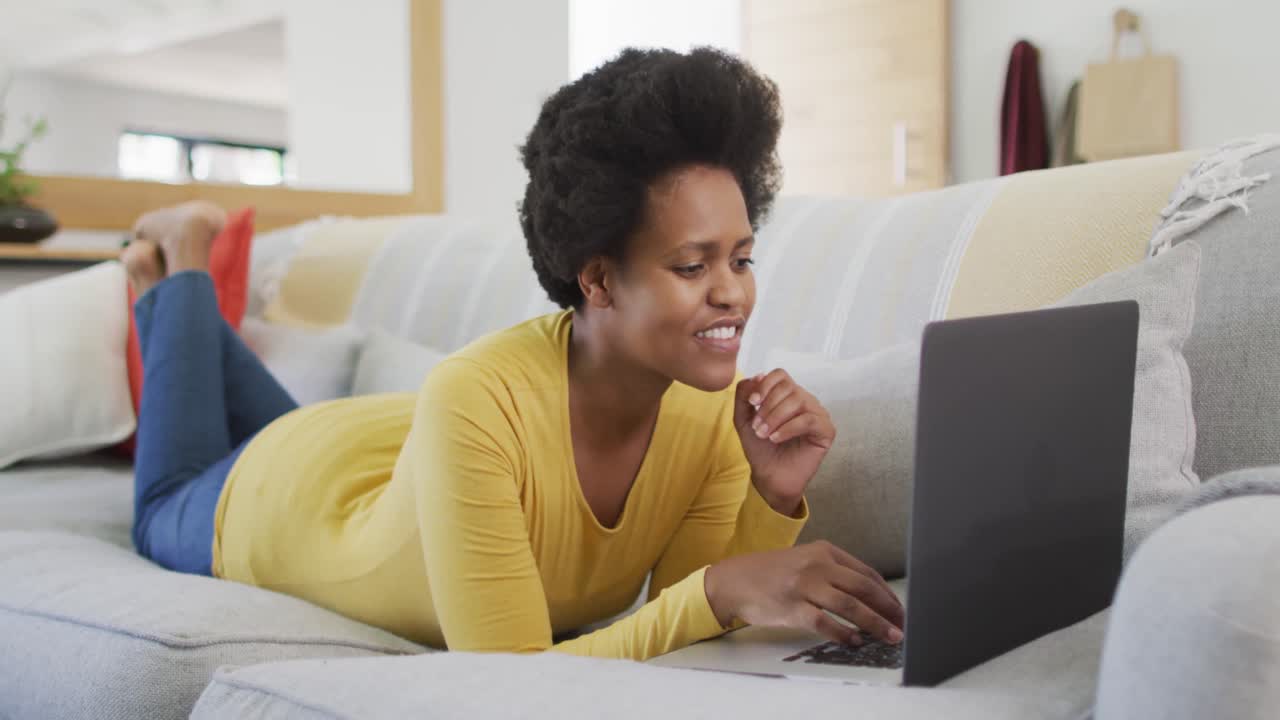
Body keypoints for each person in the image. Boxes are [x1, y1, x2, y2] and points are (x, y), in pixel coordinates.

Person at [119, 47, 904, 662]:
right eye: (693, 266)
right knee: (159, 507)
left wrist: (768, 498)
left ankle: (171, 290)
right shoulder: (475, 392)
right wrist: (721, 592)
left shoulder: (708, 406)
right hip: (274, 496)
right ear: (598, 277)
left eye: (743, 258)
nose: (732, 294)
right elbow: (510, 672)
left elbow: (683, 621)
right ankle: (185, 255)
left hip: (377, 454)